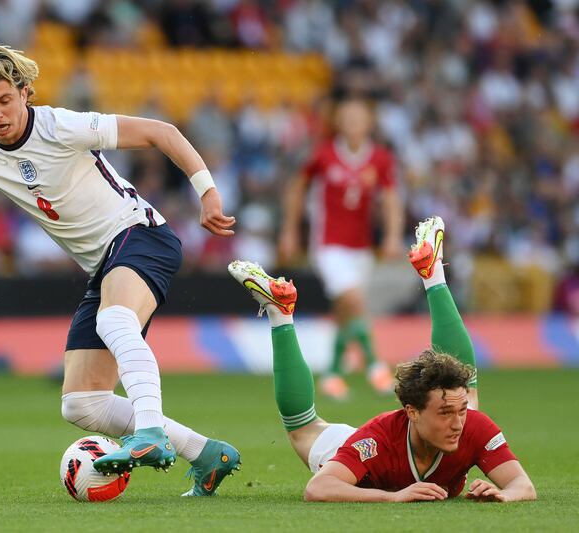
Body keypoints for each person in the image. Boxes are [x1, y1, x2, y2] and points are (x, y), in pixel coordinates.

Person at [0, 34, 241, 496]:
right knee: (82, 404)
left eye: (4, 100)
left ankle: (151, 434)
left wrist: (208, 193)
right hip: (104, 263)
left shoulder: (62, 127)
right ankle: (206, 454)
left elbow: (163, 132)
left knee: (115, 320)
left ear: (24, 93)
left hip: (142, 236)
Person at [228, 216, 537, 502]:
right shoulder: (376, 441)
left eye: (458, 413)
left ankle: (433, 273)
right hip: (351, 450)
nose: (458, 423)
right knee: (303, 430)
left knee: (461, 391)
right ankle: (280, 314)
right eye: (445, 414)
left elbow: (523, 486)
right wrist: (393, 496)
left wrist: (502, 494)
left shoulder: (470, 424)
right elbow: (317, 488)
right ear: (412, 413)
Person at [279, 97, 403, 400]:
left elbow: (390, 199)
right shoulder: (323, 155)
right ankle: (376, 367)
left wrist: (392, 236)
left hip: (361, 246)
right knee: (354, 299)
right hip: (328, 243)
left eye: (358, 119)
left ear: (369, 124)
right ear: (338, 123)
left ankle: (332, 374)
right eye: (347, 118)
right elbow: (297, 188)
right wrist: (290, 230)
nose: (353, 124)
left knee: (346, 311)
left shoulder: (380, 159)